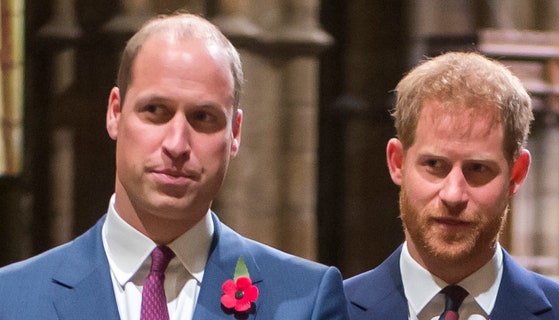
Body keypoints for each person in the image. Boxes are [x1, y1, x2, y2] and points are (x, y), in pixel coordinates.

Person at [0, 13, 349, 319]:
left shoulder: (306, 302)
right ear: (115, 113)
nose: (177, 144)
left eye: (203, 117)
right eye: (155, 111)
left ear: (235, 133)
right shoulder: (13, 298)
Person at [343, 52, 559, 319]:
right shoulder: (330, 312)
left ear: (516, 174)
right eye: (434, 165)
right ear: (397, 163)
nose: (453, 194)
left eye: (477, 169)